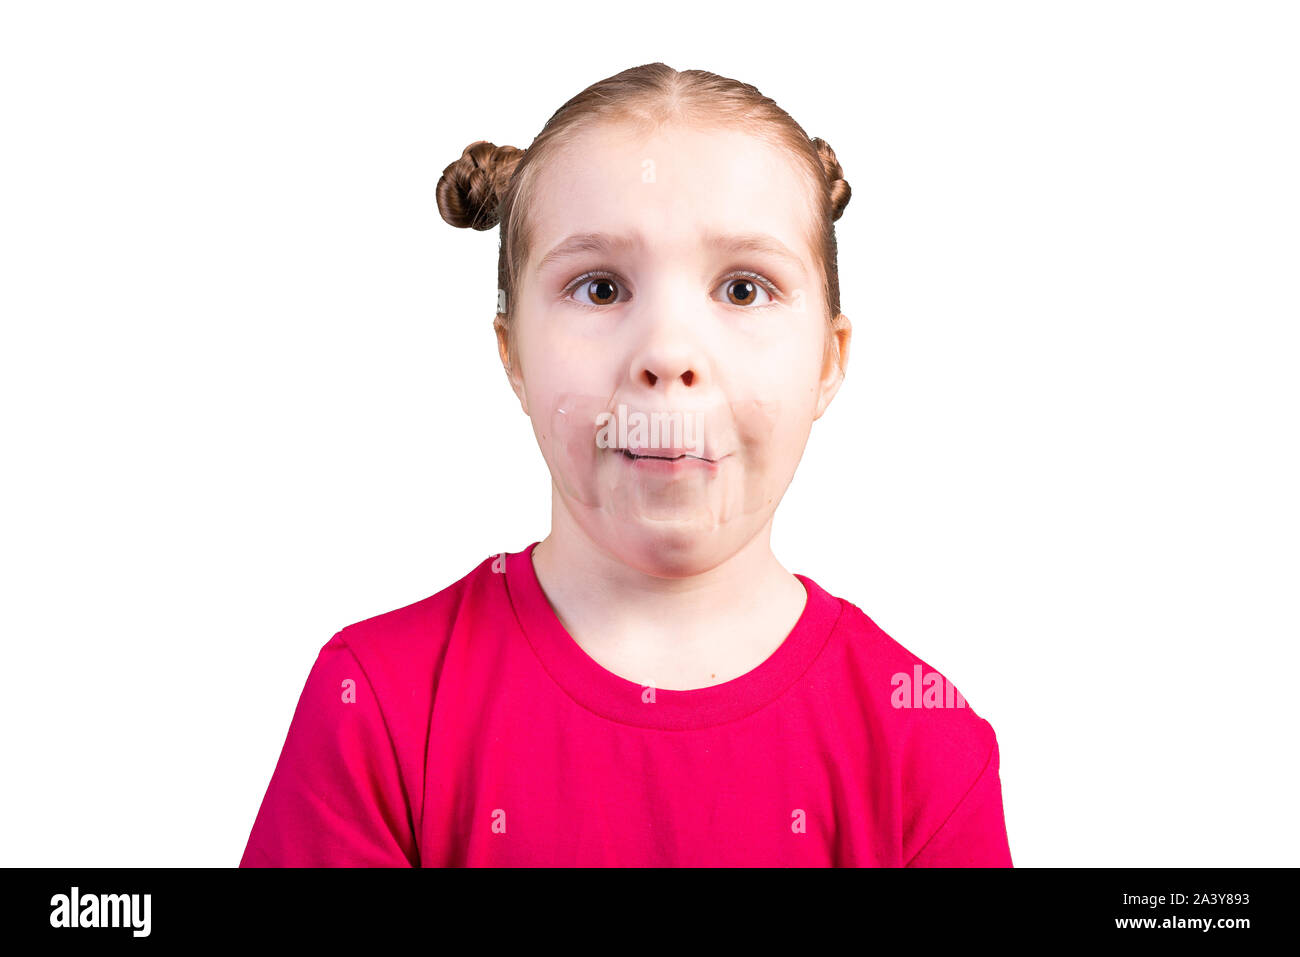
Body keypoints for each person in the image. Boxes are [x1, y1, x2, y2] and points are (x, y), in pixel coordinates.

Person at [239, 62, 1013, 867]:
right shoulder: (378, 709)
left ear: (828, 359)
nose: (668, 352)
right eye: (601, 289)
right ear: (514, 355)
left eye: (744, 290)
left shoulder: (926, 745)